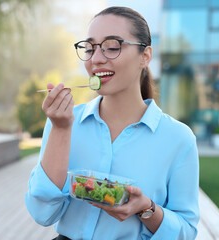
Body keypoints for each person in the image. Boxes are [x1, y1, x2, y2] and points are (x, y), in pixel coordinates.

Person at [25, 6, 200, 240]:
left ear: (145, 56)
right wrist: (60, 129)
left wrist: (145, 208)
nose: (96, 59)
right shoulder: (64, 122)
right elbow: (42, 213)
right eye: (89, 49)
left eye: (112, 47)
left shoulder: (179, 139)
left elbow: (186, 232)